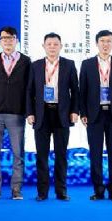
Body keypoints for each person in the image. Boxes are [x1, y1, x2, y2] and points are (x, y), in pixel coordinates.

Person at [26, 33, 79, 201]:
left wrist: (75, 111)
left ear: (60, 46)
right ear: (43, 46)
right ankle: (42, 192)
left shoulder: (69, 64)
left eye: (55, 44)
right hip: (41, 114)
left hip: (62, 114)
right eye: (49, 44)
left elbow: (75, 91)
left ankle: (61, 191)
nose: (52, 47)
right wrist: (30, 113)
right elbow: (29, 91)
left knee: (61, 155)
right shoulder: (35, 65)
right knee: (42, 156)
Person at [79, 30, 112, 201]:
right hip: (94, 115)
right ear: (97, 43)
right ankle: (98, 189)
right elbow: (82, 90)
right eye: (102, 41)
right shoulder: (87, 64)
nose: (105, 44)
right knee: (95, 154)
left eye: (108, 41)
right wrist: (83, 112)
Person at [0, 26, 31, 201]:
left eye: (10, 38)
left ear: (16, 40)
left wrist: (28, 111)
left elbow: (29, 89)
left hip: (16, 113)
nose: (7, 41)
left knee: (18, 153)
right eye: (4, 38)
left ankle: (16, 189)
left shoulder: (26, 61)